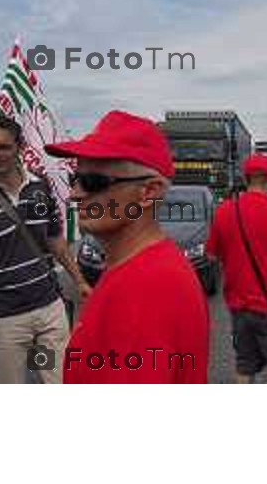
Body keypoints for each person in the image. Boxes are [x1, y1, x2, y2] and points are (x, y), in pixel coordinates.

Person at [45, 110, 209, 384]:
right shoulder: (139, 266)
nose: (75, 194)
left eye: (93, 182)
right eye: (75, 179)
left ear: (148, 192)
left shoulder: (148, 288)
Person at [0, 114, 91, 384]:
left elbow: (54, 239)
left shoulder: (40, 187)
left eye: (3, 147)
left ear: (19, 148)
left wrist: (79, 280)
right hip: (2, 320)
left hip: (48, 309)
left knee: (58, 381)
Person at [206, 153, 267, 383]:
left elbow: (211, 256)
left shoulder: (224, 211)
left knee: (245, 366)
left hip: (240, 309)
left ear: (245, 178)